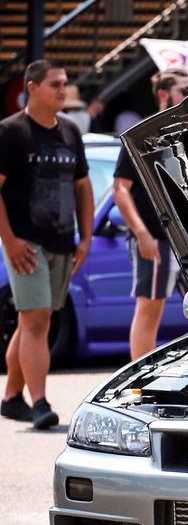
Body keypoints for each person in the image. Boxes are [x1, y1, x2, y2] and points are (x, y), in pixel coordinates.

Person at [0, 61, 94, 428]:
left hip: (62, 241)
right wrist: (9, 240)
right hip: (26, 242)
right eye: (55, 84)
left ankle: (10, 397)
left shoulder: (70, 131)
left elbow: (83, 187)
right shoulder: (11, 132)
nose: (62, 90)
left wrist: (85, 238)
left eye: (65, 83)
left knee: (31, 321)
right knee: (37, 321)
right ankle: (40, 403)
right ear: (31, 88)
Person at [112, 67, 188, 359]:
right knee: (150, 309)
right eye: (184, 90)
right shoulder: (141, 133)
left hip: (187, 237)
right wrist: (141, 234)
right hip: (154, 234)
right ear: (163, 94)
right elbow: (119, 189)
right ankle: (137, 381)